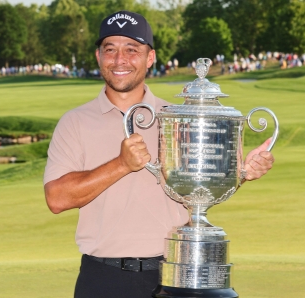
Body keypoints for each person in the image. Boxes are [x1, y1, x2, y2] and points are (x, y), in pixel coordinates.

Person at [43, 10, 275, 298]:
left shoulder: (179, 117)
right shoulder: (75, 122)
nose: (120, 60)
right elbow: (57, 198)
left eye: (132, 49)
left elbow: (201, 184)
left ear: (150, 57)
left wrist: (241, 172)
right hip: (104, 280)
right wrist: (121, 164)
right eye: (110, 49)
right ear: (98, 57)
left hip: (175, 275)